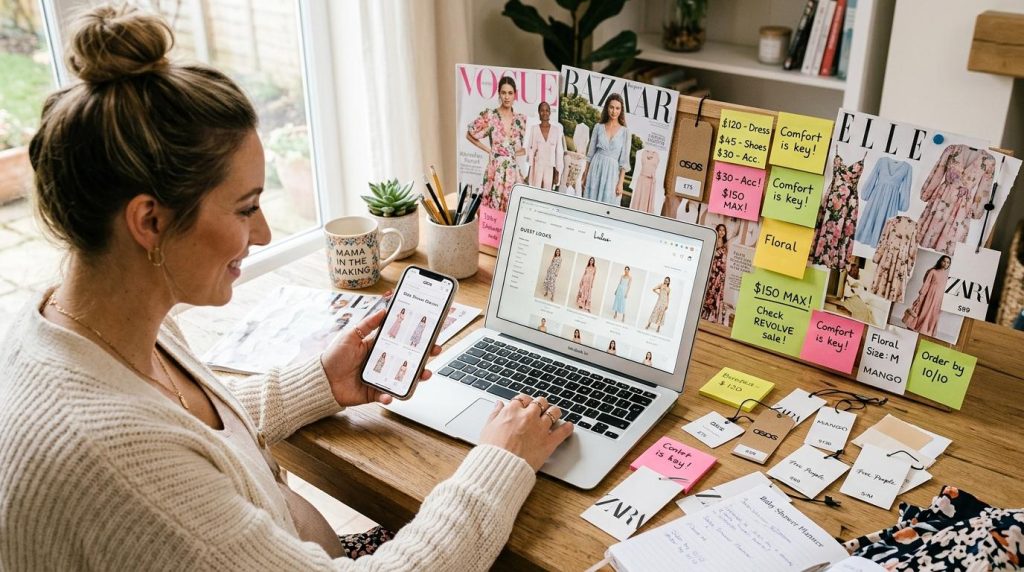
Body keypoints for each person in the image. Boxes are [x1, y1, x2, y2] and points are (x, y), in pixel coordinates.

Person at [0, 6, 573, 569]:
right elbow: (161, 465)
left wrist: (319, 382)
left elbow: (191, 435)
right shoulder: (120, 462)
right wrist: (499, 460)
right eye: (246, 207)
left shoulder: (77, 316)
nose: (264, 231)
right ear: (148, 221)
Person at [465, 76, 527, 212]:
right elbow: (469, 134)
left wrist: (512, 154)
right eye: (503, 92)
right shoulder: (491, 116)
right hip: (495, 171)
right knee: (493, 212)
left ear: (515, 94)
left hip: (512, 173)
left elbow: (528, 146)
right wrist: (489, 150)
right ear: (499, 93)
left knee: (512, 211)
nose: (506, 97)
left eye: (510, 93)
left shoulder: (521, 120)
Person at [582, 93, 631, 205]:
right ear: (607, 108)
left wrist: (620, 183)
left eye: (617, 108)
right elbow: (590, 154)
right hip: (596, 167)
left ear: (621, 110)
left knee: (608, 205)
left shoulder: (625, 132)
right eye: (611, 107)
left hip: (612, 172)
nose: (614, 111)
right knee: (590, 203)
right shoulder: (598, 127)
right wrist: (585, 174)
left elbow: (624, 160)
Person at [902, 255, 952, 337]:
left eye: (948, 262)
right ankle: (917, 327)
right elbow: (926, 283)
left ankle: (926, 331)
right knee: (924, 311)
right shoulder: (933, 271)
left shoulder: (948, 276)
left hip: (939, 299)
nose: (945, 263)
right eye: (944, 261)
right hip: (929, 295)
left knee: (933, 314)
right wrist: (921, 295)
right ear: (940, 261)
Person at [526, 101, 563, 190]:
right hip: (537, 167)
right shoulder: (534, 129)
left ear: (550, 112)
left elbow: (559, 153)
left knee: (547, 194)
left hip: (550, 168)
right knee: (535, 191)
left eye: (547, 110)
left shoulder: (556, 130)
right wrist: (529, 172)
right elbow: (531, 152)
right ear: (539, 112)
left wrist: (557, 172)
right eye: (542, 110)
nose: (544, 113)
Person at [701, 224, 728, 323]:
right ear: (716, 231)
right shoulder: (713, 241)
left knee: (715, 294)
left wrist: (722, 275)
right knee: (708, 292)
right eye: (720, 230)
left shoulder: (725, 245)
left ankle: (711, 317)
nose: (721, 232)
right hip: (711, 271)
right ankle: (703, 313)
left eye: (723, 230)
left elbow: (724, 261)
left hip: (719, 274)